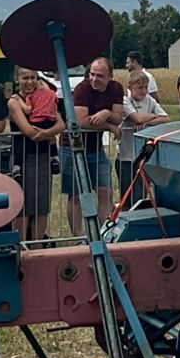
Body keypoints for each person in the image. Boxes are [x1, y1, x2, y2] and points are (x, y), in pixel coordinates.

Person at [63, 58, 125, 235]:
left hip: (95, 149)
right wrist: (109, 125)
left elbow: (118, 117)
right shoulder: (82, 89)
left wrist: (105, 113)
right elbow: (80, 122)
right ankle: (77, 237)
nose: (94, 79)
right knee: (75, 195)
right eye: (92, 74)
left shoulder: (116, 88)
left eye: (100, 76)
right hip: (72, 147)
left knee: (105, 191)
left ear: (110, 76)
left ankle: (100, 234)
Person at [8, 68, 62, 241]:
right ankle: (22, 243)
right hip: (23, 156)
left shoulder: (45, 96)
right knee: (23, 203)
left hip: (43, 156)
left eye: (33, 78)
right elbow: (28, 131)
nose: (29, 82)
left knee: (42, 203)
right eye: (25, 78)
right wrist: (50, 135)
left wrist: (48, 135)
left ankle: (38, 243)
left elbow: (62, 123)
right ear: (17, 79)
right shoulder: (14, 102)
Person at [115, 71, 169, 197]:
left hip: (144, 157)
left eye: (146, 87)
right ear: (130, 88)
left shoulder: (149, 100)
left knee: (142, 194)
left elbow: (166, 118)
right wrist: (153, 115)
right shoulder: (125, 101)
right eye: (140, 87)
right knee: (128, 196)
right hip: (127, 157)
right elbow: (137, 119)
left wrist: (150, 120)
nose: (144, 91)